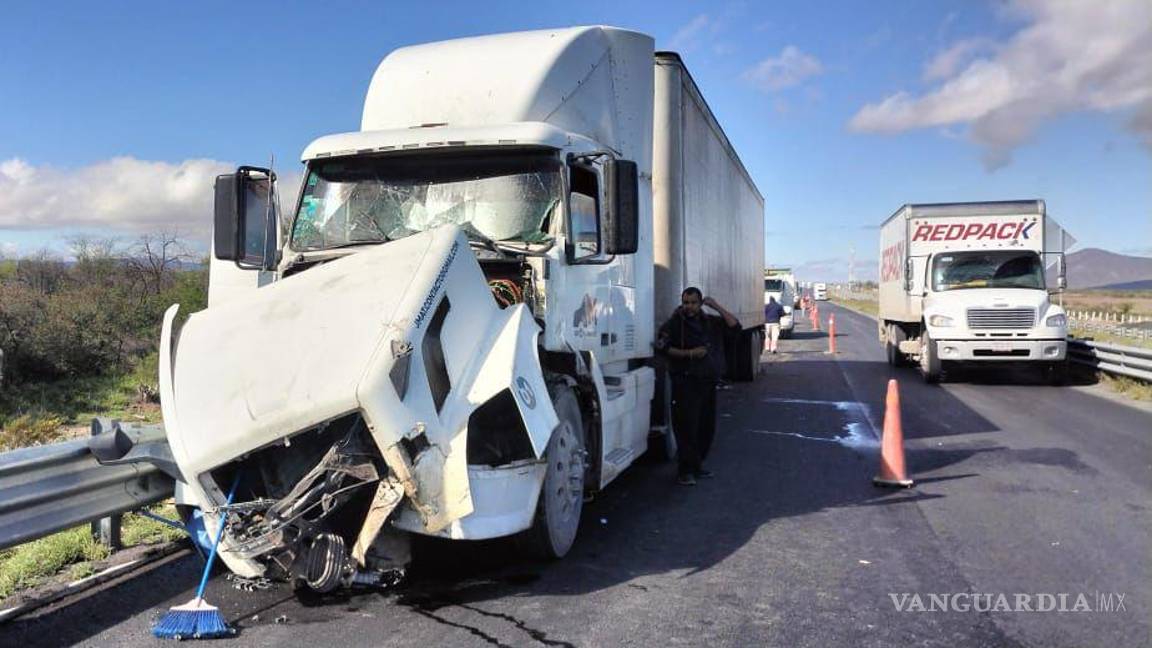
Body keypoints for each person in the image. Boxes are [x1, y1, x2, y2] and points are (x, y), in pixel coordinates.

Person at [656, 287, 740, 486]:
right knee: (686, 428)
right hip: (685, 382)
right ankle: (685, 471)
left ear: (700, 303)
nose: (689, 306)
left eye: (693, 302)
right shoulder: (675, 324)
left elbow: (734, 326)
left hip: (707, 381)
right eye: (686, 302)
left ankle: (697, 465)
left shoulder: (710, 323)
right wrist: (690, 354)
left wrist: (716, 306)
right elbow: (663, 348)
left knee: (705, 428)